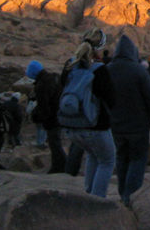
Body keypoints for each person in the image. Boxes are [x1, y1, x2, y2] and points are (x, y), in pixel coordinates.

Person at [107, 33, 150, 205]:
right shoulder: (139, 72)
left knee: (121, 158)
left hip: (116, 127)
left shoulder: (107, 70)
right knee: (138, 159)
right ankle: (131, 196)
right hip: (138, 127)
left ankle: (122, 193)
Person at [60, 42, 115, 197]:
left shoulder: (70, 68)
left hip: (72, 124)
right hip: (95, 125)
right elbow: (110, 98)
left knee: (93, 155)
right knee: (107, 161)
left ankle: (88, 193)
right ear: (96, 52)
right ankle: (97, 200)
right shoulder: (99, 70)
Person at [64, 27, 108, 176]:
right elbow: (106, 95)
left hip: (70, 115)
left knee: (76, 148)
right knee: (102, 159)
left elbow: (62, 86)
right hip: (91, 118)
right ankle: (93, 192)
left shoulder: (70, 64)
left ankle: (69, 177)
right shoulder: (98, 67)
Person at [26, 60, 67, 173]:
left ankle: (62, 166)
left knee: (55, 143)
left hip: (52, 118)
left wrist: (36, 117)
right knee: (55, 142)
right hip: (61, 114)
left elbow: (44, 106)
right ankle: (58, 166)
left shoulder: (42, 85)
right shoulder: (54, 77)